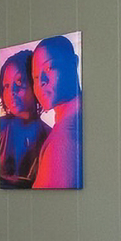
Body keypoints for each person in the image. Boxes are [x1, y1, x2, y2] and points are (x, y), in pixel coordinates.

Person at [30, 35, 83, 189]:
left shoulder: (65, 136)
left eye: (49, 67)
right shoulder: (71, 124)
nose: (41, 81)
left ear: (74, 63)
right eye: (35, 76)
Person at [0, 48, 47, 188]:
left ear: (35, 83)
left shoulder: (50, 136)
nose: (12, 91)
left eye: (19, 82)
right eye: (6, 86)